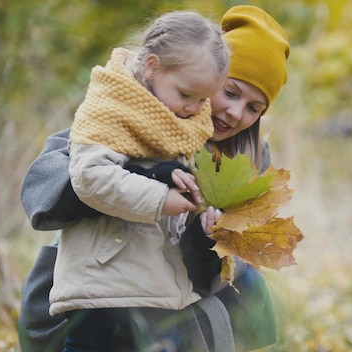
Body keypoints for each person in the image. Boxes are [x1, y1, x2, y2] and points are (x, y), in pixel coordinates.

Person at [18, 5, 290, 352]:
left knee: (246, 285)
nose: (236, 113)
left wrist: (206, 236)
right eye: (231, 92)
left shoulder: (249, 160)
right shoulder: (130, 113)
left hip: (178, 296)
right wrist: (149, 178)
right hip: (99, 285)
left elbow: (223, 270)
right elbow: (49, 187)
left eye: (254, 107)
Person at [49, 9, 228, 351]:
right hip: (101, 278)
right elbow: (90, 176)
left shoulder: (181, 123)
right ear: (152, 67)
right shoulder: (110, 107)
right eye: (186, 94)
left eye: (203, 100)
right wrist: (160, 199)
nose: (194, 108)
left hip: (157, 281)